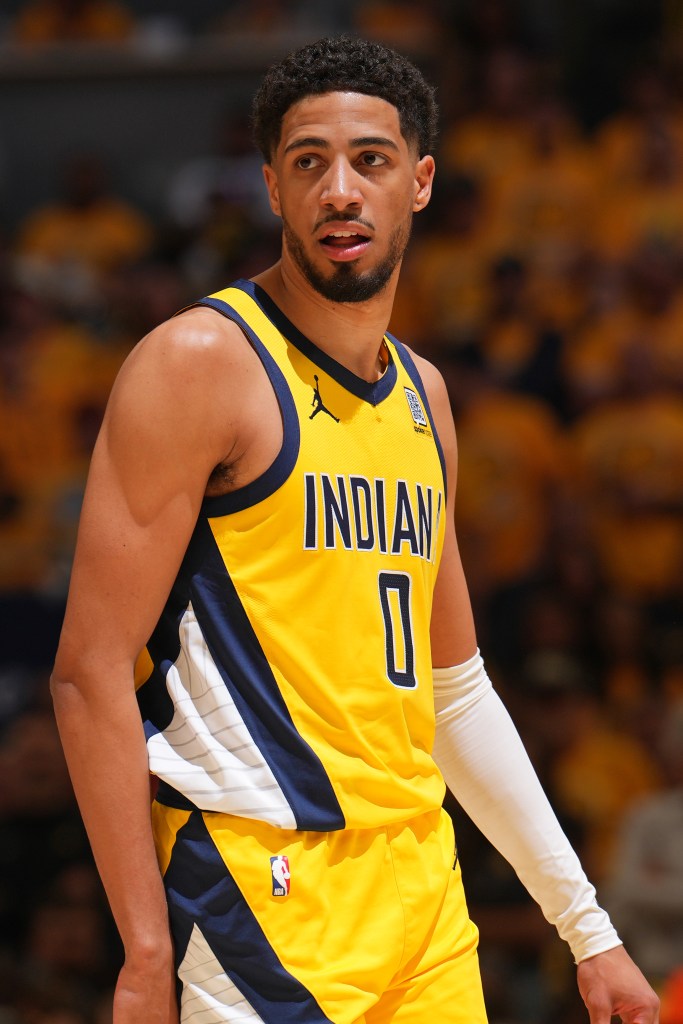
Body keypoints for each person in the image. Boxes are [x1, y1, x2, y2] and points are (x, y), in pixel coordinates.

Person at [49, 35, 659, 1024]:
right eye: (309, 164)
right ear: (272, 189)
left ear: (418, 183)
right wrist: (143, 951)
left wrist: (585, 929)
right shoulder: (200, 362)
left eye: (369, 160)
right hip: (260, 891)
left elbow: (453, 694)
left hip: (421, 897)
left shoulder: (425, 396)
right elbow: (87, 673)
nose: (340, 190)